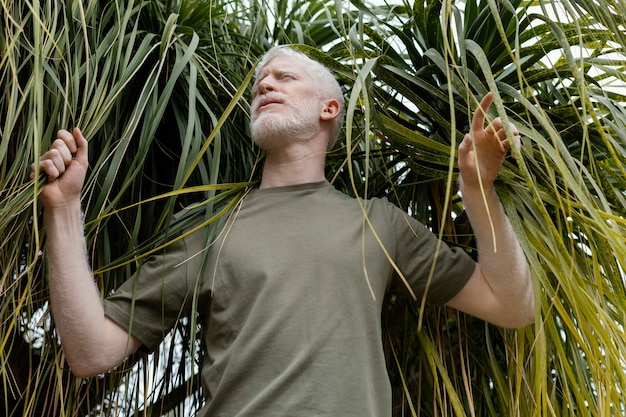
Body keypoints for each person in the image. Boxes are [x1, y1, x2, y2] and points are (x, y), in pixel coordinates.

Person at [31, 46, 534, 417]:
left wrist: (477, 189)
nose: (265, 85)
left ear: (328, 108)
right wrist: (64, 208)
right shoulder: (210, 233)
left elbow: (512, 307)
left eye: (284, 77)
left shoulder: (380, 223)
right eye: (259, 83)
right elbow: (91, 351)